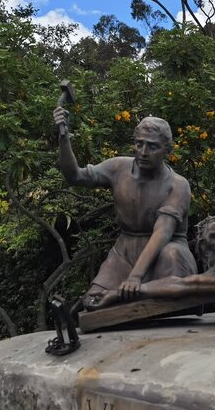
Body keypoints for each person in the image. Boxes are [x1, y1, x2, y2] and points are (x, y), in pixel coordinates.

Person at [54, 108, 197, 310]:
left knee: (163, 301)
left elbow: (162, 232)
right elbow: (75, 176)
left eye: (152, 146)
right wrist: (63, 136)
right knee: (92, 303)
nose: (143, 152)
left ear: (168, 150)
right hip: (125, 252)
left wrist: (135, 277)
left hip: (165, 254)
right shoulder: (118, 168)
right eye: (139, 144)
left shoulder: (178, 185)